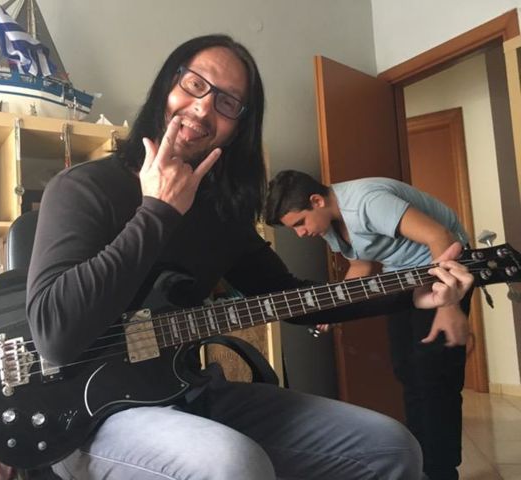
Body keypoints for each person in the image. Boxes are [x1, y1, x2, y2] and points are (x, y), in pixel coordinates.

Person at [27, 34, 473, 480]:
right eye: (195, 85)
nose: (204, 108)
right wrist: (157, 211)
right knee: (234, 465)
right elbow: (54, 335)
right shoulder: (84, 187)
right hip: (84, 417)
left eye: (228, 103)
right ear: (168, 85)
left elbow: (292, 299)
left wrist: (409, 294)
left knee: (391, 446)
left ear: (239, 127)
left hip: (183, 391)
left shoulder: (223, 214)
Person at [264, 170, 472, 480]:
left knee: (433, 376)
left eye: (300, 223)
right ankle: (422, 468)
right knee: (407, 370)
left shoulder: (368, 203)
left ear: (317, 201)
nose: (301, 233)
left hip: (444, 271)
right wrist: (332, 311)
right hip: (403, 282)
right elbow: (360, 266)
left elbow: (441, 237)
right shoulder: (329, 224)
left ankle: (442, 471)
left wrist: (449, 306)